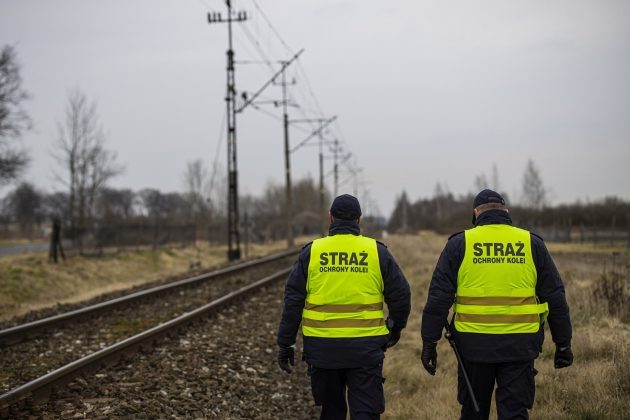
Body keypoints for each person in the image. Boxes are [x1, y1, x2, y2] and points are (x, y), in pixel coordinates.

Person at [420, 189, 573, 420]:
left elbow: (438, 298)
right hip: (519, 345)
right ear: (506, 212)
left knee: (473, 412)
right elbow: (555, 297)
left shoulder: (459, 244)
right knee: (515, 413)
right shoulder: (532, 243)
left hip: (473, 345)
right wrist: (563, 344)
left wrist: (429, 342)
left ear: (476, 213)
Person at [277, 194, 411, 420]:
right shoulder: (376, 252)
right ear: (359, 220)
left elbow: (293, 300)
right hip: (366, 349)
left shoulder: (312, 252)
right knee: (366, 412)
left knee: (331, 412)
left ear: (331, 217)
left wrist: (286, 343)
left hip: (322, 349)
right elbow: (401, 295)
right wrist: (394, 327)